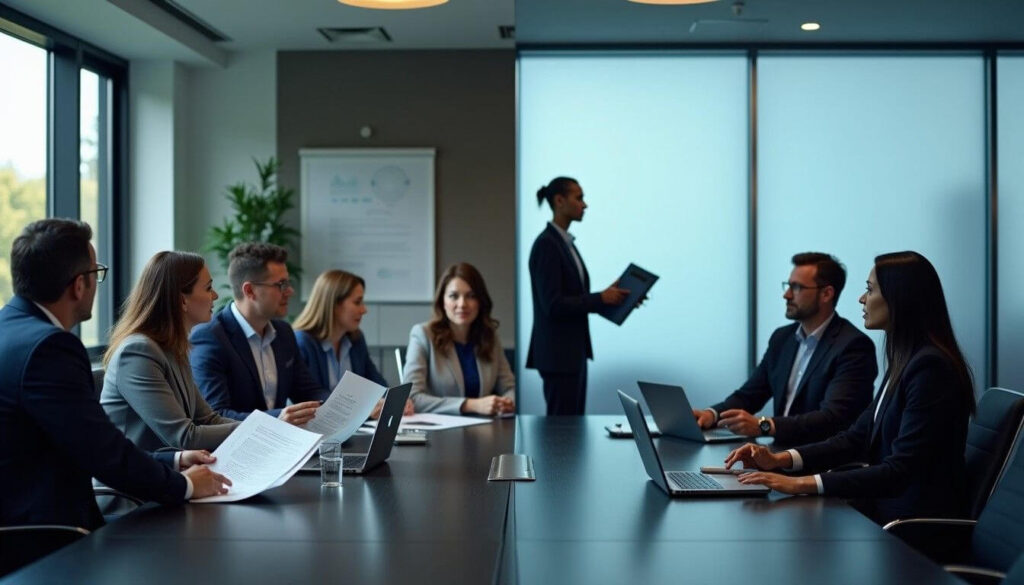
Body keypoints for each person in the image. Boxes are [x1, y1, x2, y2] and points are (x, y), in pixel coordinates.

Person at [0, 219, 230, 529]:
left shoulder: (10, 332)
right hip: (49, 537)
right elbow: (102, 452)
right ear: (79, 285)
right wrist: (185, 486)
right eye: (97, 274)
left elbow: (86, 446)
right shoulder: (50, 348)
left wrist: (173, 461)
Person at [726, 251, 976, 525]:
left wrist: (800, 484)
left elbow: (899, 471)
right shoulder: (907, 361)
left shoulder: (930, 368)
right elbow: (856, 438)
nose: (861, 298)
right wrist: (779, 460)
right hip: (883, 513)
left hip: (911, 529)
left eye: (870, 290)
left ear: (899, 298)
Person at [693, 252, 877, 445]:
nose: (786, 294)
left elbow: (832, 418)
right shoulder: (782, 338)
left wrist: (764, 425)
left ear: (826, 294)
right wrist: (711, 414)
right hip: (778, 454)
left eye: (796, 287)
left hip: (823, 462)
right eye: (788, 285)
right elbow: (750, 395)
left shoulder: (853, 347)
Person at [101, 251, 241, 452]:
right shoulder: (137, 352)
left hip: (173, 474)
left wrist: (264, 430)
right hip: (129, 482)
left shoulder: (173, 347)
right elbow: (184, 437)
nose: (216, 295)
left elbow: (207, 419)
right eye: (208, 288)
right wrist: (258, 431)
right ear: (181, 300)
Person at [190, 243, 326, 422]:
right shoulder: (210, 337)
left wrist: (346, 407)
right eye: (281, 284)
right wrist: (277, 418)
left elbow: (308, 392)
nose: (290, 291)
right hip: (231, 448)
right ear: (250, 290)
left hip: (281, 445)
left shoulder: (283, 332)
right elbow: (216, 415)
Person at [527, 176, 628, 416]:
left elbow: (574, 299)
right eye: (579, 197)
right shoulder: (547, 245)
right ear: (559, 201)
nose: (585, 205)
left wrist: (611, 296)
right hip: (558, 356)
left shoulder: (564, 244)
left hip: (570, 354)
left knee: (569, 430)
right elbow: (553, 304)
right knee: (562, 432)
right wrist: (600, 298)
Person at [293, 269, 413, 418]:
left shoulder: (355, 340)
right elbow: (310, 398)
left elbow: (376, 383)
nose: (364, 310)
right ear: (334, 305)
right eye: (357, 302)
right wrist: (364, 409)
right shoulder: (302, 343)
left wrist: (394, 400)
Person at [403, 263, 515, 415]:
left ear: (480, 301)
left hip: (485, 430)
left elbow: (510, 388)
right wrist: (470, 405)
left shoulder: (489, 337)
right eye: (454, 296)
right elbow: (412, 398)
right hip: (438, 433)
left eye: (471, 296)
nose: (462, 304)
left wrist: (507, 402)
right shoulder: (423, 334)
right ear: (442, 301)